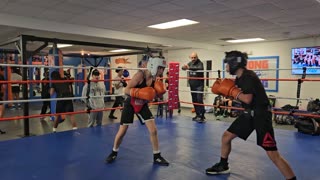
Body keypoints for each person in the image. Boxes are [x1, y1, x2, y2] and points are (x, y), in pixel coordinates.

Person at [207, 51, 296, 180]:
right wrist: (227, 94)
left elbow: (247, 99)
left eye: (227, 64)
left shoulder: (248, 77)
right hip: (249, 114)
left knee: (272, 153)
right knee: (226, 137)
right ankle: (223, 165)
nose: (226, 67)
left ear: (234, 63)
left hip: (261, 116)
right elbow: (243, 99)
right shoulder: (240, 78)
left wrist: (231, 91)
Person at [105, 56, 169, 166]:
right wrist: (139, 93)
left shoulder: (154, 79)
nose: (162, 71)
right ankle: (114, 152)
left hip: (142, 104)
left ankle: (157, 156)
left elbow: (151, 94)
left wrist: (157, 94)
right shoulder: (140, 75)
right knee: (122, 132)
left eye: (163, 68)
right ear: (154, 66)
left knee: (153, 130)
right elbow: (126, 90)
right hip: (130, 103)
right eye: (160, 68)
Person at [181, 52, 205, 122]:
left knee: (199, 100)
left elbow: (200, 68)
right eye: (192, 57)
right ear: (190, 57)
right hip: (192, 85)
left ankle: (202, 116)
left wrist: (189, 68)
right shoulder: (190, 63)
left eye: (194, 57)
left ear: (197, 57)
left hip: (199, 85)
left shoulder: (200, 63)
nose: (193, 59)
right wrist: (184, 67)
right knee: (194, 100)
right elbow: (183, 68)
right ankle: (197, 115)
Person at [0, 68, 6, 134]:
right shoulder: (1, 76)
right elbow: (3, 87)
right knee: (2, 110)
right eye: (2, 70)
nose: (3, 72)